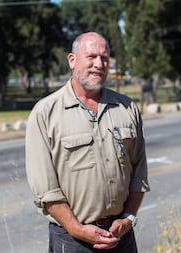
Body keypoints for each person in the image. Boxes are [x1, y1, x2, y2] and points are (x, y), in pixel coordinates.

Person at [25, 32, 150, 253]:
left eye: (104, 58)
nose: (99, 64)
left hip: (121, 236)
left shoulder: (127, 108)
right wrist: (77, 229)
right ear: (72, 60)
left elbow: (139, 173)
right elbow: (46, 189)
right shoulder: (46, 113)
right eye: (91, 56)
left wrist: (129, 218)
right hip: (72, 240)